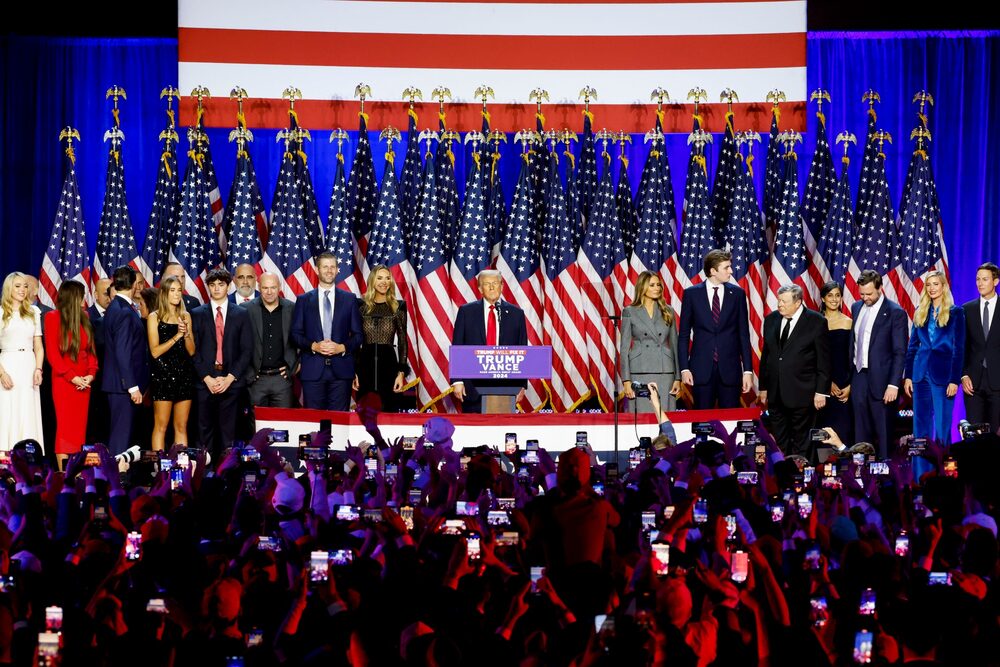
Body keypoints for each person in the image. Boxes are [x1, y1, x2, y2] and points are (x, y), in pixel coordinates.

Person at [758, 284, 830, 457]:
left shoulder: (816, 321)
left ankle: (801, 471)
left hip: (803, 392)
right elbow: (767, 356)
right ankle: (781, 469)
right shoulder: (771, 319)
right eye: (779, 300)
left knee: (802, 440)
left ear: (798, 303)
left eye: (784, 301)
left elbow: (824, 360)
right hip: (775, 393)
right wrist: (763, 387)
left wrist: (821, 391)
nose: (779, 304)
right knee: (779, 440)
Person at [677, 249, 754, 408]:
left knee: (730, 420)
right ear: (713, 271)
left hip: (730, 370)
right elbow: (684, 335)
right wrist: (684, 368)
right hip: (701, 370)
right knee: (702, 420)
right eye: (726, 267)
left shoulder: (738, 294)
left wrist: (747, 371)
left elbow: (743, 335)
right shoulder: (691, 294)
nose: (731, 271)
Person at [192, 268, 253, 454]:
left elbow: (246, 350)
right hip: (205, 383)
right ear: (208, 287)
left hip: (231, 382)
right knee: (204, 433)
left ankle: (227, 469)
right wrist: (207, 378)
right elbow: (193, 350)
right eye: (212, 285)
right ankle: (204, 469)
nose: (217, 288)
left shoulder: (241, 313)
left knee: (229, 434)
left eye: (221, 284)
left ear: (228, 286)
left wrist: (230, 378)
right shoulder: (196, 313)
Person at [291, 253, 362, 411]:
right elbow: (295, 334)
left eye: (332, 267)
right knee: (314, 421)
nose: (329, 270)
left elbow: (358, 336)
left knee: (339, 421)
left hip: (341, 372)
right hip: (313, 371)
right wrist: (314, 346)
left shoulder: (350, 299)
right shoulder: (303, 300)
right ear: (317, 270)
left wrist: (342, 347)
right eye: (325, 267)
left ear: (337, 270)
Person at [849, 269, 908, 458]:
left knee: (883, 431)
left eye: (869, 294)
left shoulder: (895, 313)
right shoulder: (856, 307)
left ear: (880, 288)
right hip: (859, 376)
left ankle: (885, 469)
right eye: (862, 294)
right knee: (860, 429)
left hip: (883, 381)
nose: (865, 298)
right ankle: (860, 470)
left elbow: (899, 352)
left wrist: (893, 384)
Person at [451, 269, 528, 413]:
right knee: (475, 426)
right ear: (480, 289)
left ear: (502, 286)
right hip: (472, 386)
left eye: (495, 283)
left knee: (503, 425)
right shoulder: (466, 312)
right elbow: (457, 347)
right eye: (487, 284)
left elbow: (522, 349)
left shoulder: (516, 314)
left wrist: (522, 384)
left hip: (506, 387)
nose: (492, 287)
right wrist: (457, 380)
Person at [904, 271, 965, 446]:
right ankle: (921, 464)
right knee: (920, 425)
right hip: (920, 374)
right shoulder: (921, 311)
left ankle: (942, 463)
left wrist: (954, 380)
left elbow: (958, 349)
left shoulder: (956, 313)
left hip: (943, 376)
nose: (932, 288)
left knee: (942, 426)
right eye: (929, 285)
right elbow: (912, 346)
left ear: (943, 286)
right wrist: (908, 375)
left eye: (936, 284)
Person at [43, 280, 98, 466]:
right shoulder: (52, 317)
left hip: (84, 383)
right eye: (82, 295)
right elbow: (53, 355)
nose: (84, 299)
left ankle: (76, 471)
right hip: (64, 382)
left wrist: (90, 374)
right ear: (74, 297)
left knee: (79, 429)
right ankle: (63, 472)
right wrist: (72, 377)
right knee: (65, 428)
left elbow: (91, 351)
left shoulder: (85, 316)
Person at [101, 265, 150, 456]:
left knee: (123, 435)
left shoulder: (116, 307)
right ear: (134, 285)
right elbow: (123, 352)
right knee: (121, 437)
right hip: (122, 386)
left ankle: (120, 471)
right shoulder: (123, 311)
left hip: (119, 385)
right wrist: (132, 386)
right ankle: (115, 472)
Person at [620, 271, 681, 413]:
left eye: (658, 285)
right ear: (642, 287)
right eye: (652, 285)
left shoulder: (668, 311)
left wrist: (677, 377)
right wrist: (626, 380)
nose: (657, 288)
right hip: (639, 370)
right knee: (641, 417)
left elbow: (675, 345)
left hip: (665, 370)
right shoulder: (630, 311)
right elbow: (624, 348)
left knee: (664, 415)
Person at [147, 276, 196, 451]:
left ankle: (181, 464)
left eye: (179, 290)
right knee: (161, 425)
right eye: (172, 290)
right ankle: (159, 465)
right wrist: (177, 336)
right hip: (162, 376)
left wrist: (186, 334)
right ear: (164, 293)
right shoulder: (155, 317)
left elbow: (191, 351)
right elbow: (155, 351)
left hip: (184, 375)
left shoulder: (185, 316)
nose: (176, 294)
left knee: (181, 426)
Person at [356, 265, 409, 413]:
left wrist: (401, 373)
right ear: (372, 281)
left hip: (389, 365)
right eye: (379, 278)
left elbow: (403, 341)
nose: (384, 282)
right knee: (365, 414)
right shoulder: (361, 306)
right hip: (365, 365)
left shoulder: (398, 306)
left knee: (389, 412)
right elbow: (355, 340)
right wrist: (355, 371)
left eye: (387, 278)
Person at [0, 272, 44, 451]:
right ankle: (5, 455)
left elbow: (38, 346)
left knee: (27, 410)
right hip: (7, 365)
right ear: (9, 288)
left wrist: (38, 369)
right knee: (8, 410)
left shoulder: (34, 312)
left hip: (28, 366)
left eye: (25, 286)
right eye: (18, 286)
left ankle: (28, 456)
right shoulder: (1, 313)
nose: (22, 290)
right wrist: (2, 373)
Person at [243, 273, 297, 408]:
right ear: (258, 287)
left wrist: (295, 365)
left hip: (282, 380)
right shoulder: (246, 309)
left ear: (279, 287)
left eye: (273, 287)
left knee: (283, 420)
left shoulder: (292, 308)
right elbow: (239, 343)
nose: (269, 292)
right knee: (256, 421)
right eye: (265, 288)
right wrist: (248, 373)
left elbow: (302, 338)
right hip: (256, 380)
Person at [961, 262, 1000, 434]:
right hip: (973, 384)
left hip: (998, 383)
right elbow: (961, 347)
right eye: (978, 279)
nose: (980, 283)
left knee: (994, 435)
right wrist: (963, 375)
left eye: (985, 279)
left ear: (996, 281)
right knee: (974, 436)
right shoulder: (967, 309)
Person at [815, 281, 854, 443]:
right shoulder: (815, 322)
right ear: (823, 298)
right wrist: (826, 383)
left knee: (844, 430)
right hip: (821, 386)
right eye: (830, 295)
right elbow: (812, 357)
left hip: (844, 385)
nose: (834, 299)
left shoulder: (849, 322)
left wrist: (850, 386)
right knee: (822, 435)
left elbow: (855, 357)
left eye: (838, 295)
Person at [86, 277, 113, 444]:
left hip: (113, 379)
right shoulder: (87, 316)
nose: (109, 298)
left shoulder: (117, 314)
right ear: (95, 295)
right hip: (94, 378)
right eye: (105, 294)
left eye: (111, 293)